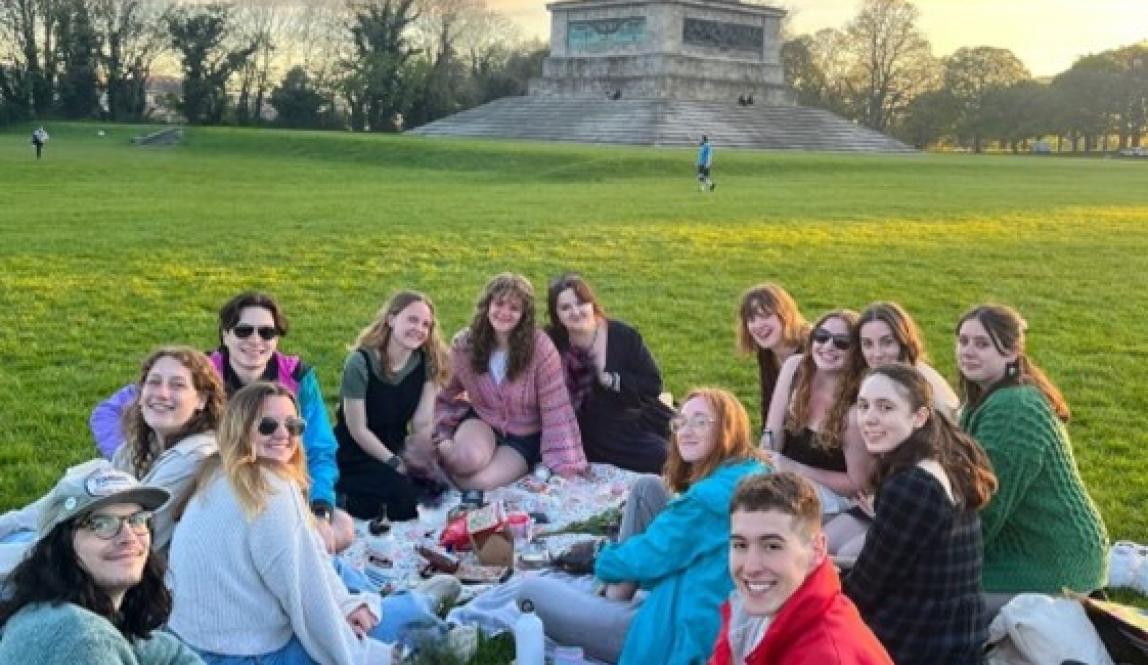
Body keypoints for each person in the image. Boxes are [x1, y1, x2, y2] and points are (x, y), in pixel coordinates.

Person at [518, 388, 766, 665]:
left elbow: (647, 556)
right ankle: (613, 595)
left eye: (700, 422)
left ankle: (608, 602)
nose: (686, 430)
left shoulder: (704, 503)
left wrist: (601, 556)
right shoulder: (752, 472)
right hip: (710, 603)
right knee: (648, 487)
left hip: (673, 632)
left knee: (530, 593)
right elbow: (664, 545)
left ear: (728, 430)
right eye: (681, 422)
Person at [168, 382, 408, 664]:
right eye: (268, 426)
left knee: (339, 572)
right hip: (243, 654)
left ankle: (379, 598)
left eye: (294, 426)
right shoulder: (268, 487)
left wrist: (345, 604)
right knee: (408, 615)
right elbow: (307, 597)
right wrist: (365, 655)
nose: (283, 434)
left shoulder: (218, 471)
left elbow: (312, 554)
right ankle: (449, 619)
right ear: (240, 428)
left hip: (192, 642)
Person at [89, 291, 348, 551]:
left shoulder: (297, 378)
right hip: (218, 488)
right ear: (225, 334)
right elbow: (109, 412)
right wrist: (137, 450)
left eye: (266, 332)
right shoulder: (195, 375)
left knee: (342, 528)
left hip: (278, 485)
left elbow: (320, 450)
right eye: (243, 331)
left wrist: (321, 508)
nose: (255, 340)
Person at [0, 346, 224, 561]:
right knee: (91, 474)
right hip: (98, 552)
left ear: (202, 400)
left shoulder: (195, 458)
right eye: (153, 382)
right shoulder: (141, 446)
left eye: (177, 385)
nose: (162, 393)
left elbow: (133, 543)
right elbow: (64, 509)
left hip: (140, 576)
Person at [955, 304, 1107, 615]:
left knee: (940, 604)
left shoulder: (1014, 408)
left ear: (1011, 353)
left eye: (982, 344)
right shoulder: (984, 398)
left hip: (1054, 560)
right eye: (963, 340)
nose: (968, 351)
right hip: (1021, 543)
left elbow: (988, 503)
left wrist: (940, 556)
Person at [843, 364, 997, 664]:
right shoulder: (940, 458)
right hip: (955, 632)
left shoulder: (911, 485)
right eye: (863, 406)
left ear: (919, 417)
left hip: (921, 643)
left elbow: (866, 587)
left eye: (885, 407)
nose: (869, 418)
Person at [0, 464, 203, 664]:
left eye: (137, 520)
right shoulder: (81, 640)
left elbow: (159, 650)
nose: (128, 537)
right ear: (60, 546)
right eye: (101, 524)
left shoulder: (50, 613)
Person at [708, 472, 892, 665]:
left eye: (772, 546)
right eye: (741, 545)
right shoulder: (752, 613)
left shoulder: (828, 655)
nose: (751, 566)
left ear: (817, 549)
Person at [434, 273, 587, 489]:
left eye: (514, 308)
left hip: (523, 437)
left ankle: (450, 472)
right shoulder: (466, 344)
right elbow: (445, 391)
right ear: (487, 305)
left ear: (524, 315)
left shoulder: (540, 349)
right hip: (482, 420)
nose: (504, 313)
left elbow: (556, 409)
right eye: (499, 304)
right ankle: (441, 452)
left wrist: (564, 464)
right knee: (463, 462)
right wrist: (441, 433)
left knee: (477, 483)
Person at [334, 290, 451, 521]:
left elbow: (421, 422)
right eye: (412, 319)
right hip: (358, 450)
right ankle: (344, 496)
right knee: (401, 498)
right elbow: (358, 429)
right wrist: (395, 463)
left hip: (396, 444)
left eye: (425, 324)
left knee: (437, 491)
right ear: (391, 319)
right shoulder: (360, 363)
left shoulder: (426, 362)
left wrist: (423, 461)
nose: (419, 329)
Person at [545, 272, 670, 473]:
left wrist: (611, 380)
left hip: (639, 413)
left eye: (580, 303)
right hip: (601, 431)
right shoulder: (552, 343)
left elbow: (652, 385)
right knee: (665, 457)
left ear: (592, 304)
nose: (575, 311)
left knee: (699, 443)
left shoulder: (623, 335)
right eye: (566, 307)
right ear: (556, 315)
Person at [764, 310, 871, 517]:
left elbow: (857, 484)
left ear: (856, 352)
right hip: (784, 481)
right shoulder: (795, 368)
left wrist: (794, 468)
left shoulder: (856, 408)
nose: (828, 346)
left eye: (842, 342)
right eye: (821, 336)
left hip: (831, 498)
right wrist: (764, 464)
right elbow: (772, 433)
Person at [855, 302, 958, 418]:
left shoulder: (923, 387)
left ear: (904, 341)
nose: (877, 354)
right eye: (868, 344)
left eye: (887, 342)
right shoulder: (874, 379)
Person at [736, 283, 809, 438]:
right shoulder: (767, 352)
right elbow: (769, 402)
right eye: (751, 319)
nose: (757, 326)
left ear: (785, 315)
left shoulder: (811, 351)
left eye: (766, 316)